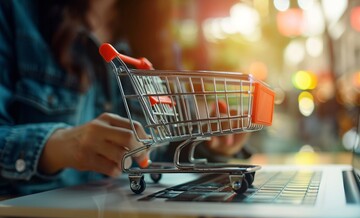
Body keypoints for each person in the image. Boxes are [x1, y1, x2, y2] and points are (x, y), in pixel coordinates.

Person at [0, 0, 249, 196]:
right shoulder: (15, 12)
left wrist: (209, 143)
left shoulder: (154, 38)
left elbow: (159, 156)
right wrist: (59, 145)